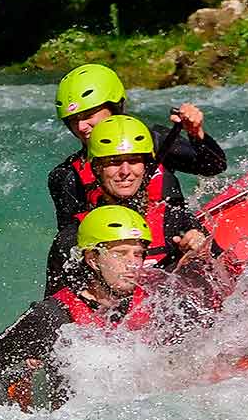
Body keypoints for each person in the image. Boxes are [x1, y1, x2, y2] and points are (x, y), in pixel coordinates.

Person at [0, 206, 164, 411]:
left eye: (138, 254)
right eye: (121, 254)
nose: (133, 264)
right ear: (93, 259)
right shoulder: (53, 315)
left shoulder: (151, 306)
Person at [43, 115, 212, 294]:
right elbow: (57, 307)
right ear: (97, 168)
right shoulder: (73, 238)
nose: (125, 172)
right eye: (114, 162)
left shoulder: (174, 219)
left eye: (133, 161)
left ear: (145, 167)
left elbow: (226, 280)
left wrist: (202, 254)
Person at [48, 64, 227, 229]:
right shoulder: (66, 176)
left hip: (179, 245)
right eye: (72, 120)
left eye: (88, 115)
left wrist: (196, 134)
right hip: (120, 257)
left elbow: (214, 167)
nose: (80, 127)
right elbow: (69, 241)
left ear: (115, 107)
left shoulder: (155, 141)